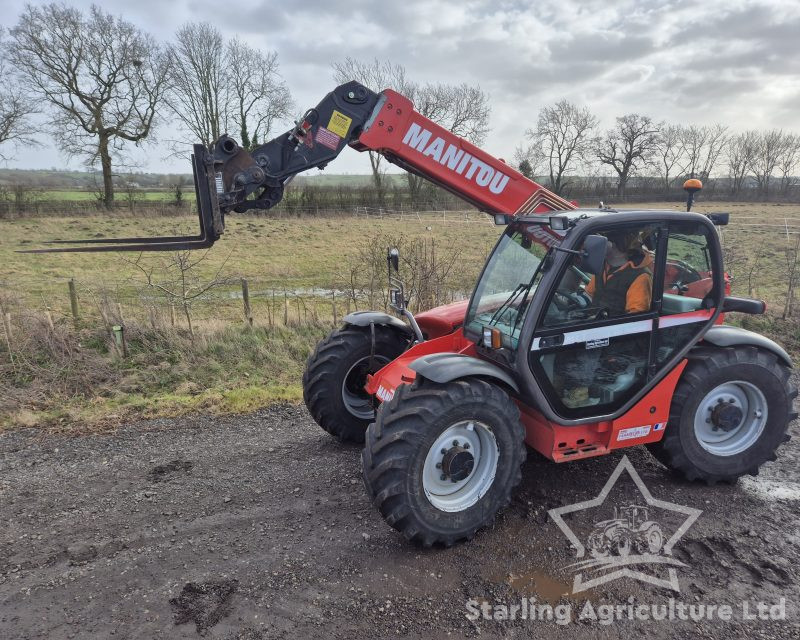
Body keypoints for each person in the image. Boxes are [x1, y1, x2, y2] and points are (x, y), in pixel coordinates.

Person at [585, 229, 653, 316]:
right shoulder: (602, 266)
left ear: (615, 245)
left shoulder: (641, 276)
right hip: (592, 321)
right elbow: (589, 295)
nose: (599, 245)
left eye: (604, 240)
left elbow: (635, 316)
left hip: (612, 327)